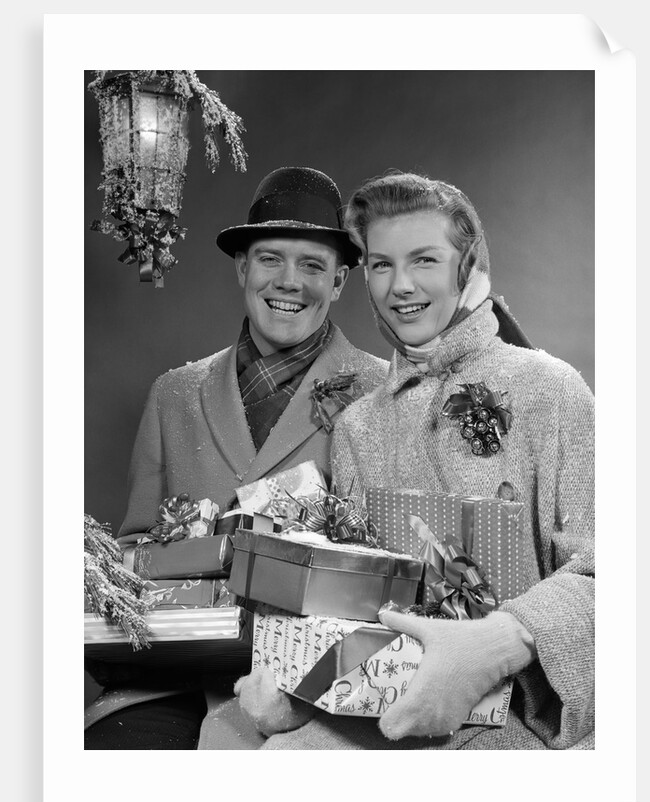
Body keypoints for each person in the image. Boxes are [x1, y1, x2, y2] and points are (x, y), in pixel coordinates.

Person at [235, 171, 594, 751]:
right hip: (374, 716)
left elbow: (616, 575)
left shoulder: (550, 390)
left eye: (424, 260)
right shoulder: (357, 425)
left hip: (517, 725)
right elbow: (352, 598)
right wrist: (298, 685)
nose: (400, 285)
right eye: (381, 265)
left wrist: (494, 647)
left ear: (468, 266)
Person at [84, 166, 390, 749]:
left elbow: (389, 565)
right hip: (172, 679)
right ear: (242, 268)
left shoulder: (382, 395)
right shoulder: (173, 393)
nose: (290, 281)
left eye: (313, 265)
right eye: (271, 258)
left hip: (315, 689)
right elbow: (131, 557)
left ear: (341, 281)